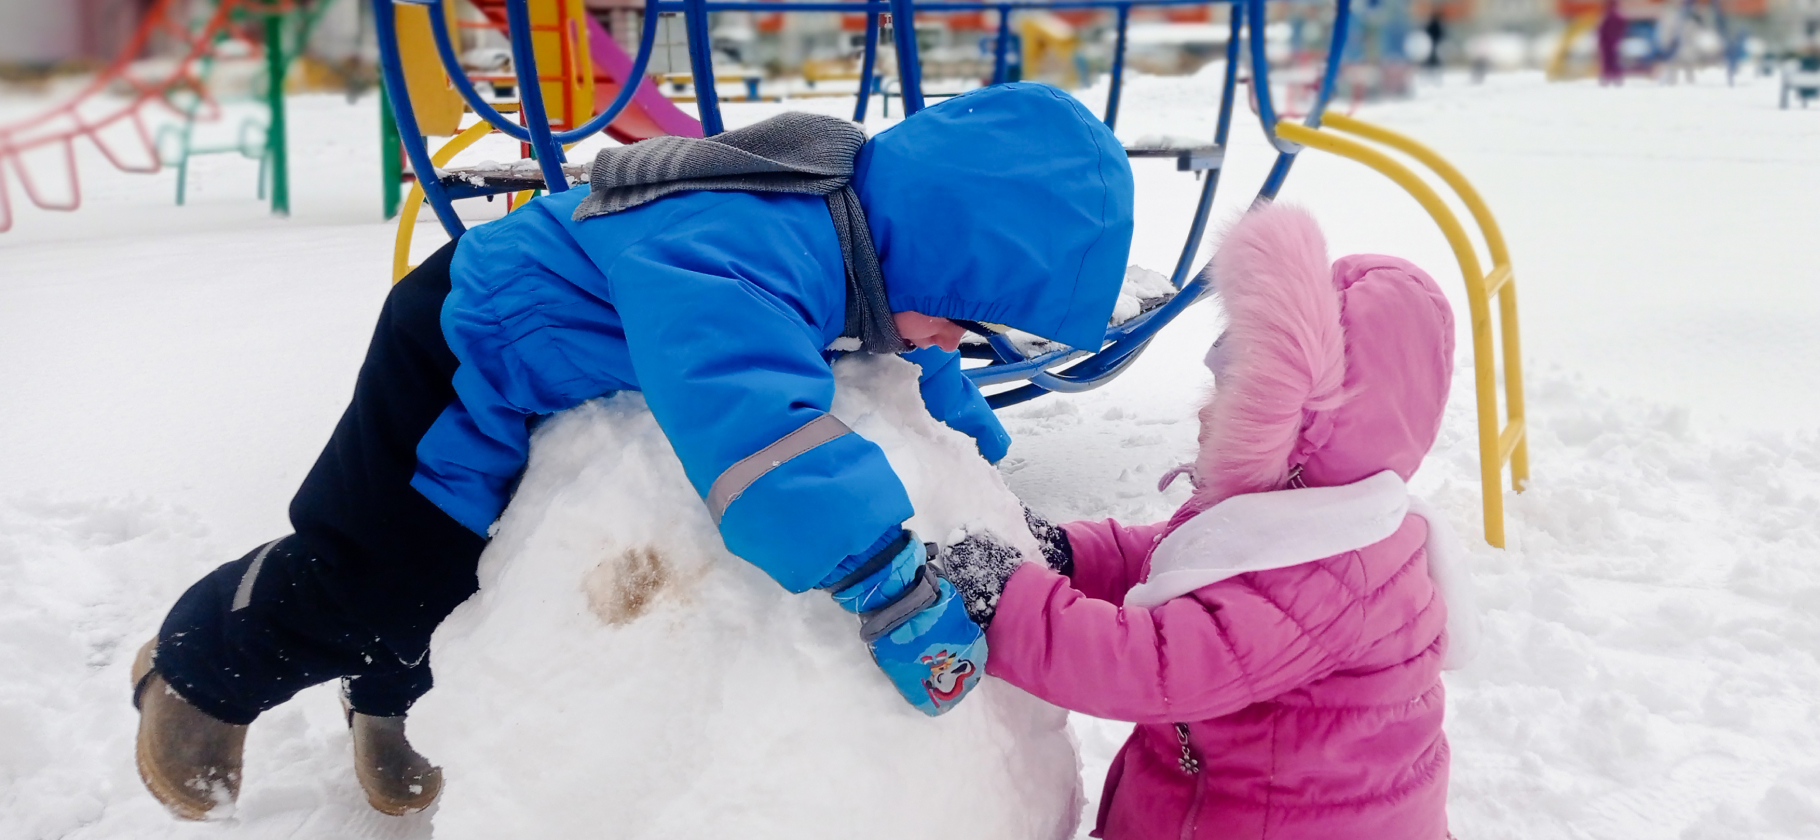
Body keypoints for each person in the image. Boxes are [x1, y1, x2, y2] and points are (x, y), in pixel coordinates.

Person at [129, 83, 1135, 820]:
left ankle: (387, 701)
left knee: (471, 574)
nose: (953, 343)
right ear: (928, 248)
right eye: (960, 314)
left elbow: (929, 384)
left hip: (555, 364)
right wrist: (883, 580)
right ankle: (203, 661)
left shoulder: (869, 249)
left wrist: (983, 477)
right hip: (471, 338)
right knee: (386, 567)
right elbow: (747, 419)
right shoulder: (743, 241)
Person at [940, 204, 1472, 839]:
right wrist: (1073, 556)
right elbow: (1182, 563)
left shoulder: (1325, 573)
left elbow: (1152, 667)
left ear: (1299, 431)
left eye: (1237, 402)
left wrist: (1010, 602)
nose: (1202, 415)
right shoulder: (1312, 513)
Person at [1599, 0, 1628, 85]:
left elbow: (1602, 31)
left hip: (1610, 43)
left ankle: (1611, 76)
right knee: (1612, 59)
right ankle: (1612, 76)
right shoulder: (1617, 17)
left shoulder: (1610, 17)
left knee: (1611, 59)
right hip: (1611, 43)